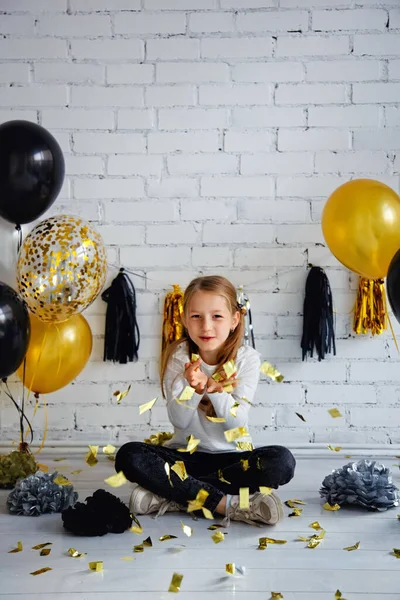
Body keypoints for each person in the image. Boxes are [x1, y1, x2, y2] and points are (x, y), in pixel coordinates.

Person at [115, 275, 295, 526]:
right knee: (129, 456)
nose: (206, 326)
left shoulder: (247, 359)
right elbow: (179, 421)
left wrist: (214, 389)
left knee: (281, 462)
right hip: (184, 459)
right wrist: (193, 388)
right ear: (185, 321)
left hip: (232, 459)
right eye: (196, 316)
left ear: (234, 320)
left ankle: (178, 496)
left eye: (217, 316)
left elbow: (236, 424)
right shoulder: (179, 357)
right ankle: (227, 504)